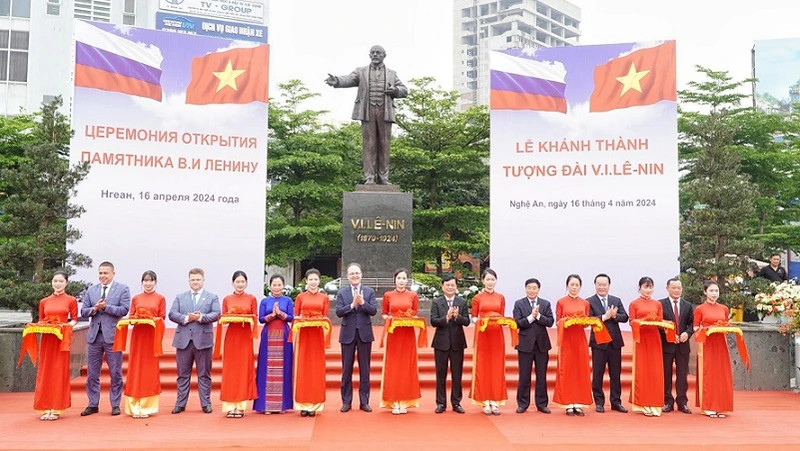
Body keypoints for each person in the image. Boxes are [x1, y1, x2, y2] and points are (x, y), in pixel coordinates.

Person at [324, 45, 408, 184]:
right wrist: (337, 81)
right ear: (369, 55)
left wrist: (395, 90)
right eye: (373, 53)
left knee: (384, 144)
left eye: (378, 53)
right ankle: (369, 177)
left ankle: (383, 177)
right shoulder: (361, 72)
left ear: (384, 55)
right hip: (367, 111)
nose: (375, 55)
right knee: (369, 144)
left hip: (384, 111)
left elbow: (404, 90)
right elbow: (349, 79)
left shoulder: (392, 74)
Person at [80, 261, 131, 416]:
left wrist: (106, 307)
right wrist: (95, 308)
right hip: (94, 336)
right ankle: (93, 403)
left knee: (115, 372)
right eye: (100, 273)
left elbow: (124, 309)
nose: (103, 276)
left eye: (106, 273)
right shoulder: (92, 290)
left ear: (113, 273)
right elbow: (83, 311)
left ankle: (115, 404)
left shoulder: (123, 289)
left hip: (113, 336)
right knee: (92, 373)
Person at [168, 268, 221, 414]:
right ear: (189, 281)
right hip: (183, 340)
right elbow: (172, 314)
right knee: (182, 374)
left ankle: (206, 403)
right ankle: (180, 403)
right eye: (193, 279)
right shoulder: (180, 297)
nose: (195, 282)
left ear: (203, 280)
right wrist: (186, 318)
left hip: (203, 340)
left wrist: (200, 317)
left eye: (198, 279)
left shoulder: (212, 297)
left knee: (204, 373)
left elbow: (216, 314)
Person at [33, 271, 78, 420]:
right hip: (47, 339)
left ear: (66, 283)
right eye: (55, 281)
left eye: (61, 281)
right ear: (51, 282)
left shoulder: (71, 300)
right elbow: (41, 320)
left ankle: (57, 407)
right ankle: (44, 407)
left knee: (59, 372)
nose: (57, 284)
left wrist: (64, 327)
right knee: (45, 371)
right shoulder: (44, 301)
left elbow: (74, 320)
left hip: (61, 340)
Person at [123, 270, 166, 418]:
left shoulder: (160, 298)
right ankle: (134, 406)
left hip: (151, 336)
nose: (148, 283)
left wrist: (151, 319)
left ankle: (147, 407)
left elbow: (161, 318)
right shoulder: (136, 298)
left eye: (151, 280)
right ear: (142, 282)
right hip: (138, 336)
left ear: (155, 282)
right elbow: (131, 317)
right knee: (135, 367)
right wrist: (137, 318)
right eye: (145, 281)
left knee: (150, 369)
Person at [336, 262, 378, 412]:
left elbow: (373, 311)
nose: (355, 276)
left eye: (357, 273)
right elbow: (339, 312)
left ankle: (364, 401)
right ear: (348, 276)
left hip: (364, 334)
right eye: (352, 274)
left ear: (361, 275)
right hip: (347, 334)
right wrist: (352, 305)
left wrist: (363, 303)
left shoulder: (369, 291)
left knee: (365, 369)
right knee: (346, 369)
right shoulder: (342, 293)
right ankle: (346, 401)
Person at [380, 268, 422, 414]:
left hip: (408, 334)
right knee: (393, 366)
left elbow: (415, 312)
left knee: (407, 366)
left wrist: (411, 319)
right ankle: (393, 401)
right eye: (399, 278)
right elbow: (384, 314)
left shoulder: (413, 295)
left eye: (404, 278)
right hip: (394, 334)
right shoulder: (388, 295)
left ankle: (405, 400)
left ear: (407, 280)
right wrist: (391, 319)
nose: (401, 281)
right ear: (394, 280)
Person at [586, 273, 628, 413]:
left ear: (609, 286)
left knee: (615, 374)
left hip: (614, 342)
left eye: (605, 284)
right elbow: (589, 319)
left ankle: (616, 402)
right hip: (599, 343)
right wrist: (604, 317)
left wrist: (615, 316)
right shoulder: (589, 301)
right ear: (595, 285)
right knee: (598, 373)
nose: (602, 287)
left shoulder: (616, 300)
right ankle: (599, 402)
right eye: (599, 284)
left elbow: (625, 317)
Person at [218, 270, 258, 418]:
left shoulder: (251, 298)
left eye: (242, 282)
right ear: (233, 283)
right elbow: (223, 318)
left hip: (245, 338)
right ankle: (229, 406)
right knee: (230, 371)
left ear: (246, 283)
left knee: (243, 370)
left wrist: (244, 316)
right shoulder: (227, 299)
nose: (240, 284)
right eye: (237, 282)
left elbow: (254, 317)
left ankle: (240, 406)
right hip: (232, 338)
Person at [512, 277, 554, 414]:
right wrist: (531, 317)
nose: (531, 290)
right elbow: (517, 323)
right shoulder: (519, 304)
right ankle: (523, 403)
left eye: (534, 288)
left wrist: (539, 316)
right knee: (524, 375)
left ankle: (542, 404)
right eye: (529, 288)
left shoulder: (545, 304)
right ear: (525, 289)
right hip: (525, 344)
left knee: (541, 375)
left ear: (538, 289)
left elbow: (550, 322)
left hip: (541, 344)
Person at [694, 280, 735, 418]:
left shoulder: (724, 308)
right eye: (711, 291)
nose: (714, 293)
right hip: (707, 344)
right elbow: (695, 328)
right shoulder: (700, 309)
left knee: (722, 374)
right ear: (705, 292)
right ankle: (709, 406)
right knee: (709, 374)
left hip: (721, 343)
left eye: (716, 291)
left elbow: (726, 325)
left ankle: (722, 406)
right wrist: (707, 329)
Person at [293, 269, 331, 417]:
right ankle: (303, 404)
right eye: (311, 279)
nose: (313, 282)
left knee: (316, 368)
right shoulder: (300, 297)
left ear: (319, 281)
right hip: (304, 335)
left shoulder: (324, 298)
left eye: (316, 279)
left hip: (317, 335)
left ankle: (315, 404)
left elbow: (326, 317)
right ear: (306, 281)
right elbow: (296, 316)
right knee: (303, 367)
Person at [254, 274, 294, 414]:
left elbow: (291, 317)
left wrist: (281, 314)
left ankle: (282, 405)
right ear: (270, 286)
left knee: (285, 368)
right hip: (268, 336)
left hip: (284, 336)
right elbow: (260, 319)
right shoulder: (265, 301)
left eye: (279, 285)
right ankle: (265, 405)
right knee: (267, 368)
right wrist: (271, 315)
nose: (277, 288)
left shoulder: (288, 300)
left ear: (283, 286)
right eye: (274, 285)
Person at [553, 274, 592, 416]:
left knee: (580, 370)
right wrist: (568, 321)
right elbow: (557, 322)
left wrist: (583, 321)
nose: (574, 288)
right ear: (567, 286)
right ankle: (568, 403)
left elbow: (587, 322)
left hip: (580, 339)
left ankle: (579, 403)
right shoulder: (561, 302)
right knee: (567, 369)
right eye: (572, 285)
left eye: (577, 285)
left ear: (580, 286)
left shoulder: (585, 303)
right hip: (567, 339)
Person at [430, 274, 470, 414]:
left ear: (456, 287)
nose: (450, 287)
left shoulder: (462, 302)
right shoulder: (437, 302)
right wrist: (446, 317)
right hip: (441, 343)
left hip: (457, 343)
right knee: (440, 374)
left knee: (457, 374)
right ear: (442, 287)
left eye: (452, 285)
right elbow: (433, 321)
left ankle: (456, 402)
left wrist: (457, 317)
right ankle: (441, 403)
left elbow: (467, 321)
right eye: (447, 285)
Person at [470, 268, 507, 415]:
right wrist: (481, 321)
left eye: (492, 279)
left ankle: (495, 401)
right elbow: (473, 317)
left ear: (496, 281)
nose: (490, 282)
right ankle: (485, 401)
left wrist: (502, 321)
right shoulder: (477, 298)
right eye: (487, 279)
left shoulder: (501, 298)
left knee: (497, 367)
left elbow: (502, 316)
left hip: (497, 335)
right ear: (483, 280)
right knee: (483, 367)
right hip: (483, 334)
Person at [628, 276, 665, 417]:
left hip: (654, 339)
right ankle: (642, 404)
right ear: (640, 288)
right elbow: (632, 321)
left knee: (655, 371)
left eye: (650, 287)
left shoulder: (657, 304)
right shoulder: (634, 304)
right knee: (642, 370)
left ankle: (655, 405)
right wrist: (642, 321)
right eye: (645, 287)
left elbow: (661, 321)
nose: (648, 290)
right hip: (641, 340)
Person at [660, 277, 693, 414]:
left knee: (682, 375)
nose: (676, 290)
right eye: (673, 288)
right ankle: (667, 401)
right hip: (667, 345)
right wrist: (668, 334)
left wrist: (687, 333)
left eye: (679, 288)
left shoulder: (687, 305)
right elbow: (658, 323)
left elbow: (692, 323)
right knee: (666, 374)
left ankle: (682, 402)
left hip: (683, 345)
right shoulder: (660, 304)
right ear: (667, 288)